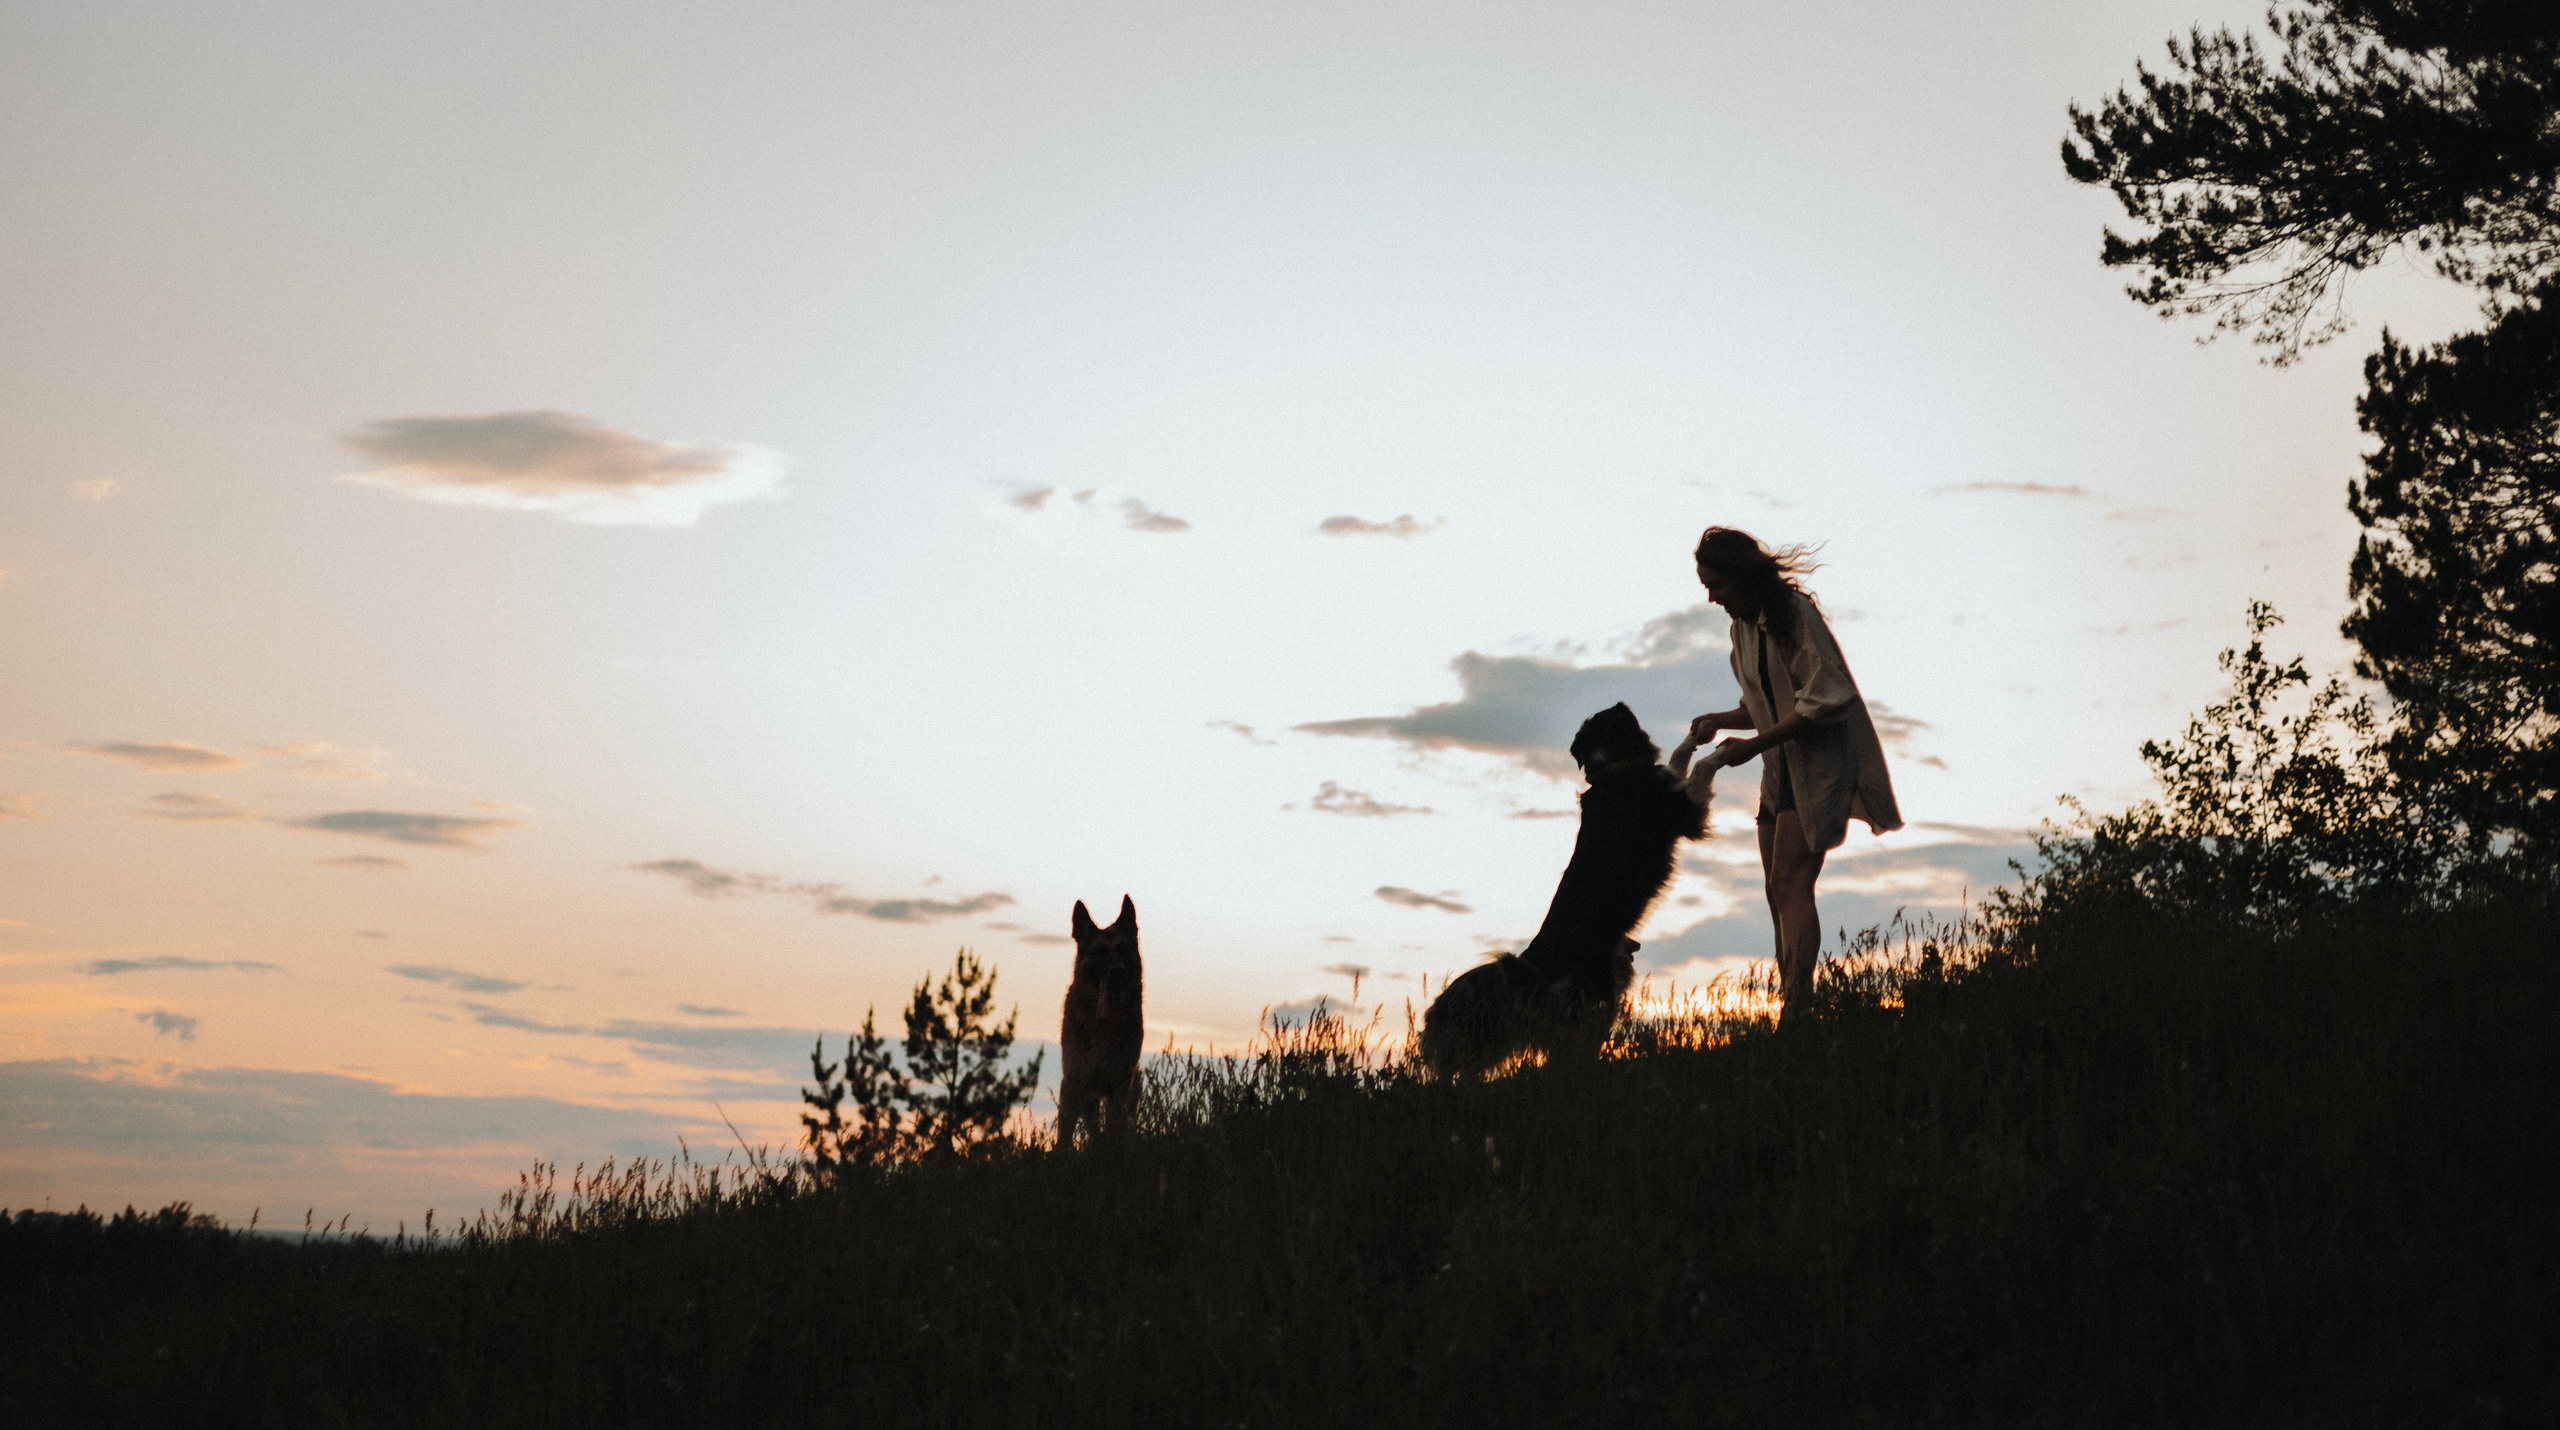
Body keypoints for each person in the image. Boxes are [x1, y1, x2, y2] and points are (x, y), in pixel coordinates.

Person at [1686, 527, 1902, 1023]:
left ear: (1740, 576)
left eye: (1716, 584)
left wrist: (1754, 745)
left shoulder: (1793, 615)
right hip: (1778, 769)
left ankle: (1798, 1007)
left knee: (1790, 883)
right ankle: (1794, 999)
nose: (1712, 597)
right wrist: (1723, 719)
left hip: (1819, 766)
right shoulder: (1742, 628)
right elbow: (1763, 703)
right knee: (1775, 888)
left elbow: (1826, 696)